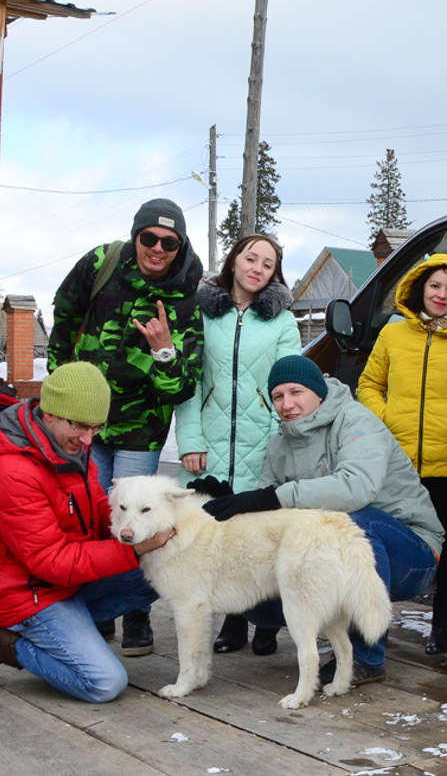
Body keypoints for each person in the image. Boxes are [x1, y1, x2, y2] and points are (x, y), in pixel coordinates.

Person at [201, 355, 443, 687]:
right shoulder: (278, 445)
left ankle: (366, 658)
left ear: (318, 392)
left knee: (351, 523)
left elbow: (356, 487)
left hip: (410, 551)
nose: (287, 404)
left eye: (296, 392)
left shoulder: (356, 421)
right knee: (257, 604)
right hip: (339, 550)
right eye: (278, 396)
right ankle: (325, 633)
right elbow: (267, 510)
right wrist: (230, 499)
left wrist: (273, 496)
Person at [0, 362, 174, 701]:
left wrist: (140, 521)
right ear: (50, 413)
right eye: (81, 427)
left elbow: (101, 509)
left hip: (63, 581)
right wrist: (132, 550)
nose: (88, 439)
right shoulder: (9, 470)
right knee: (103, 683)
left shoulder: (67, 444)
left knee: (165, 568)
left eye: (96, 428)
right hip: (22, 593)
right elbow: (50, 560)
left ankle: (72, 630)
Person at [47, 197, 204, 656]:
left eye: (169, 242)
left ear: (180, 245)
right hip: (85, 426)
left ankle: (136, 615)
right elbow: (64, 317)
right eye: (148, 238)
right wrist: (59, 387)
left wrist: (162, 350)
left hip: (141, 429)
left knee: (139, 522)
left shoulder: (186, 297)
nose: (157, 248)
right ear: (135, 235)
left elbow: (181, 386)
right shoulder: (102, 262)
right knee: (91, 518)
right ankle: (99, 610)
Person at [357, 253, 447, 655]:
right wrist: (385, 419)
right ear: (420, 288)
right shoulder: (393, 336)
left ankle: (443, 627)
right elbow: (368, 385)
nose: (442, 295)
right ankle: (371, 628)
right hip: (394, 465)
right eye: (435, 286)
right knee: (377, 545)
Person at [175, 233, 302, 656]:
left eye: (268, 264)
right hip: (209, 439)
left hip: (262, 442)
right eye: (251, 258)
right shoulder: (203, 313)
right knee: (216, 534)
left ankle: (265, 623)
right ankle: (231, 620)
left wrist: (276, 441)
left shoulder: (282, 321)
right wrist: (190, 439)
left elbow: (289, 384)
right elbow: (189, 382)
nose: (258, 269)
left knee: (258, 534)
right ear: (233, 262)